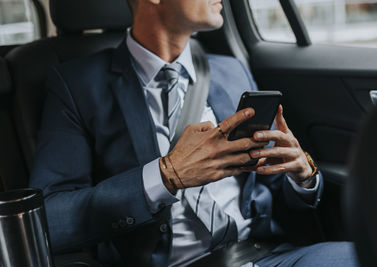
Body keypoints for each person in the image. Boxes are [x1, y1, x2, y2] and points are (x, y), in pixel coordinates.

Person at [30, 0, 359, 266]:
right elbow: (50, 219)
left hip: (263, 256)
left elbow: (272, 181)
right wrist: (167, 176)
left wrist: (303, 174)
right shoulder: (76, 84)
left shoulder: (231, 70)